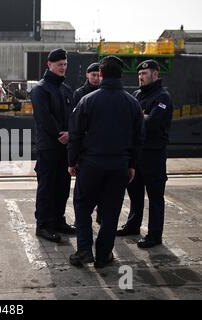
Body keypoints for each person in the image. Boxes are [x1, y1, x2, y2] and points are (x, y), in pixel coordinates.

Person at [67, 56, 144, 268]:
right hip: (119, 166)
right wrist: (132, 165)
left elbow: (75, 134)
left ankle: (84, 251)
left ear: (100, 74)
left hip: (91, 165)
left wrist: (72, 161)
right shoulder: (133, 103)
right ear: (121, 75)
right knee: (111, 211)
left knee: (82, 207)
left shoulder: (87, 100)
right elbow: (139, 139)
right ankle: (103, 255)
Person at [116, 60, 173, 249]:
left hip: (154, 155)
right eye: (139, 74)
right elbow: (128, 118)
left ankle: (155, 235)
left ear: (155, 74)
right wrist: (142, 115)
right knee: (135, 193)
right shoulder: (136, 94)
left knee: (155, 196)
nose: (141, 77)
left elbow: (152, 123)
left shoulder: (163, 97)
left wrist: (138, 117)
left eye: (145, 74)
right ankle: (133, 225)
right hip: (136, 154)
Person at [31, 48, 77, 243]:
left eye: (65, 64)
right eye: (60, 65)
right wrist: (62, 135)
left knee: (63, 187)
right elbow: (44, 118)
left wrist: (71, 134)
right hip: (49, 147)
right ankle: (43, 225)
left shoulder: (66, 89)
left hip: (64, 148)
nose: (63, 68)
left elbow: (73, 117)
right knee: (47, 186)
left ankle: (58, 220)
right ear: (49, 65)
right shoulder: (40, 89)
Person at [73, 62, 102, 224]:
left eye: (99, 75)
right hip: (85, 147)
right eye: (93, 75)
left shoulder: (104, 92)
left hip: (99, 144)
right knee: (83, 187)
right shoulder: (80, 94)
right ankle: (82, 218)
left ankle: (99, 211)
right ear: (87, 75)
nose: (96, 78)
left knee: (100, 186)